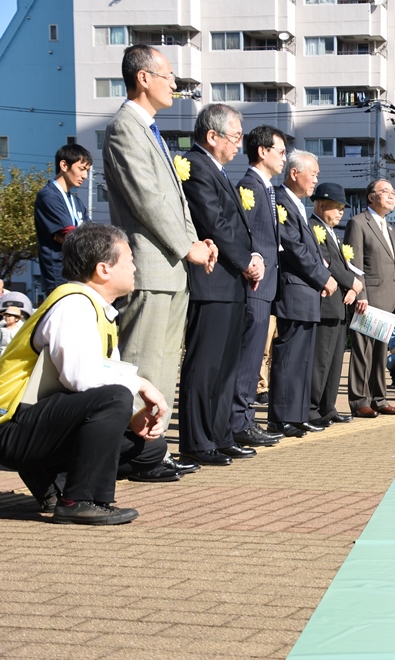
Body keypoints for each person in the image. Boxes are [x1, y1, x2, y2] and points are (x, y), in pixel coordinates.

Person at [0, 224, 177, 525]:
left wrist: (133, 417)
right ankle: (78, 500)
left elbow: (95, 377)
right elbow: (79, 376)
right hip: (10, 425)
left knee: (150, 449)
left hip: (36, 421)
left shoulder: (97, 309)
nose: (135, 267)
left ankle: (51, 482)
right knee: (115, 396)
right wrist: (141, 384)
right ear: (103, 270)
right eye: (130, 259)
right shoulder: (74, 304)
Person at [102, 44, 216, 476]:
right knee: (145, 360)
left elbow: (174, 203)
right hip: (149, 264)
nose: (175, 84)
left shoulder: (149, 129)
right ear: (143, 78)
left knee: (166, 363)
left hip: (170, 265)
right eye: (168, 76)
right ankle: (132, 454)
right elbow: (147, 199)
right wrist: (187, 245)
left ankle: (154, 451)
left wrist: (195, 242)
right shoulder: (124, 127)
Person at [177, 104, 266, 467]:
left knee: (227, 365)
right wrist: (246, 260)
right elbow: (213, 222)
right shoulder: (196, 167)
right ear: (212, 136)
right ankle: (197, 441)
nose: (238, 144)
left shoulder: (217, 170)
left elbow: (236, 226)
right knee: (205, 365)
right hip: (212, 279)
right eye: (235, 137)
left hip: (230, 282)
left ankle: (220, 435)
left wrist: (253, 256)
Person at [268, 150, 336, 437]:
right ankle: (280, 417)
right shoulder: (281, 201)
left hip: (307, 293)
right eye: (313, 173)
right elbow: (294, 248)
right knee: (289, 358)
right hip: (294, 290)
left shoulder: (295, 203)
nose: (316, 180)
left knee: (303, 360)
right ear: (295, 173)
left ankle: (296, 415)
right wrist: (324, 277)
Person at [230, 125, 288, 446]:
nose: (284, 158)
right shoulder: (248, 187)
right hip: (254, 286)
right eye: (280, 151)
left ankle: (244, 418)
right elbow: (244, 235)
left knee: (254, 358)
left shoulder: (266, 188)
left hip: (267, 287)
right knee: (249, 356)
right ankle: (240, 421)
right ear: (262, 151)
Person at [345, 179, 395, 418]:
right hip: (367, 299)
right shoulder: (358, 223)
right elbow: (354, 262)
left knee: (381, 354)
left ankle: (379, 398)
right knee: (363, 352)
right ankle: (360, 401)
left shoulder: (389, 227)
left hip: (389, 299)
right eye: (385, 192)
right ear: (371, 197)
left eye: (393, 193)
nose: (392, 196)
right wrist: (360, 294)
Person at [309, 181, 362, 426]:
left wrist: (352, 287)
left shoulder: (333, 232)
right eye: (336, 207)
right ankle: (312, 409)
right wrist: (352, 282)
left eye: (343, 208)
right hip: (325, 303)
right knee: (320, 360)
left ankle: (328, 408)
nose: (341, 212)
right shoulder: (312, 227)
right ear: (321, 205)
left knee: (334, 362)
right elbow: (327, 262)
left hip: (340, 303)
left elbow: (344, 264)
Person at [34, 144, 92, 295]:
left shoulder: (76, 202)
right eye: (82, 169)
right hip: (59, 278)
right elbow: (68, 235)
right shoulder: (48, 196)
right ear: (64, 165)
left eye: (87, 171)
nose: (85, 176)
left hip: (79, 275)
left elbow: (92, 236)